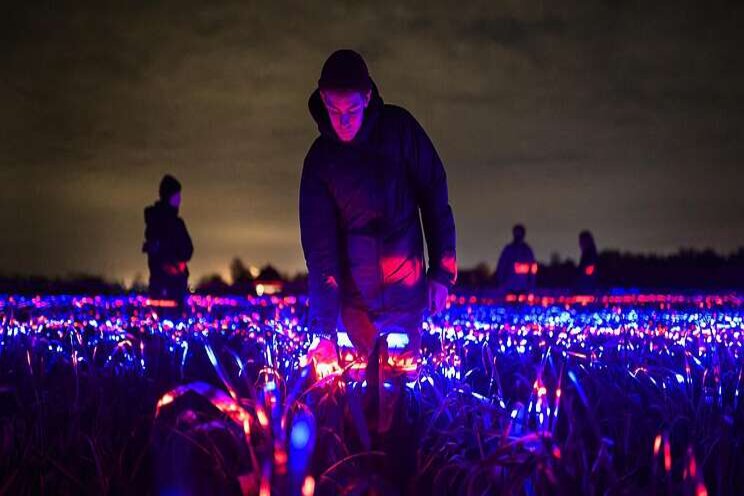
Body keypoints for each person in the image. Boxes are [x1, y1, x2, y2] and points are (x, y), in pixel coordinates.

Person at [299, 49, 457, 367]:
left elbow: (434, 196)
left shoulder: (400, 131)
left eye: (352, 110)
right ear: (322, 99)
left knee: (402, 390)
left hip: (405, 296)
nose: (343, 121)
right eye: (333, 109)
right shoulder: (320, 162)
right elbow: (321, 253)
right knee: (352, 399)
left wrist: (441, 272)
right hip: (352, 310)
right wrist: (324, 330)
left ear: (368, 97)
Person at [143, 174, 193, 309]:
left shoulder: (173, 222)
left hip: (174, 281)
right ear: (168, 196)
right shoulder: (159, 221)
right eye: (177, 196)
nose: (180, 200)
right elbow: (157, 249)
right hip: (165, 283)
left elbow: (188, 249)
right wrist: (173, 261)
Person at [494, 224, 537, 293]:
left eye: (520, 233)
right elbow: (501, 266)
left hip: (524, 286)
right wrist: (500, 281)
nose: (518, 236)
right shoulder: (509, 249)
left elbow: (532, 268)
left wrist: (531, 283)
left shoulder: (527, 250)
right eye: (516, 233)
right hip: (509, 286)